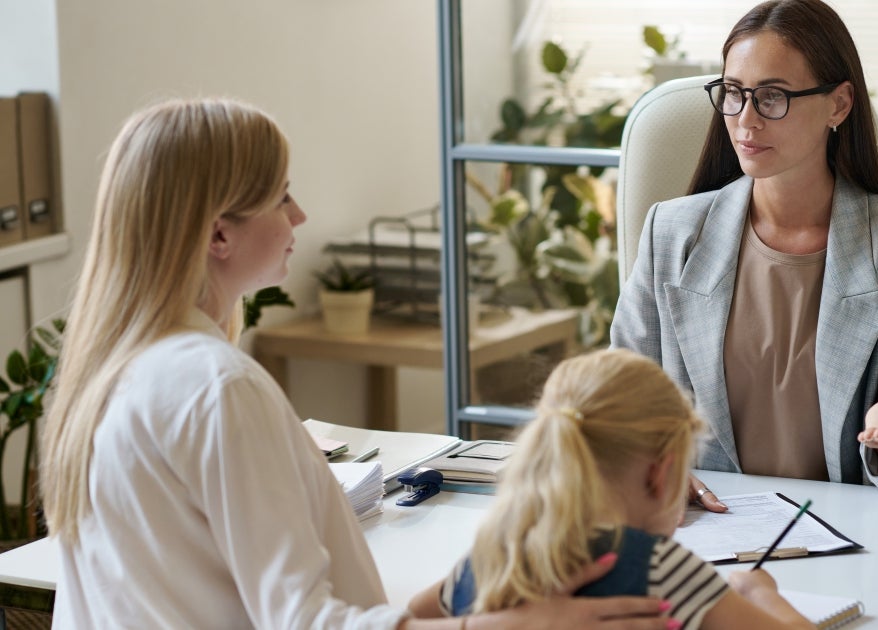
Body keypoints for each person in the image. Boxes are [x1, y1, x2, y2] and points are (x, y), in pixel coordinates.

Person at [40, 98, 670, 629]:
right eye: (281, 196)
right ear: (218, 235)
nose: (299, 216)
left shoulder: (111, 371)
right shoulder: (217, 387)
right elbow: (303, 621)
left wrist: (443, 602)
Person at [610, 0, 878, 502]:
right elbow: (619, 400)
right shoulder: (671, 233)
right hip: (702, 523)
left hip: (842, 535)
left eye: (771, 97)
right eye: (732, 94)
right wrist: (652, 470)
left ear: (839, 104)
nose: (745, 119)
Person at [407, 349, 817, 630]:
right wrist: (759, 593)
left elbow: (411, 615)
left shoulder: (493, 553)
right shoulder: (661, 570)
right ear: (663, 474)